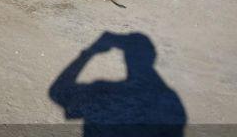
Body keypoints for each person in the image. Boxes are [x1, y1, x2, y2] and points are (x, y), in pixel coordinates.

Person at [49, 32, 186, 137]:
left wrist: (88, 53)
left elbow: (57, 92)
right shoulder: (170, 101)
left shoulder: (105, 92)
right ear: (153, 56)